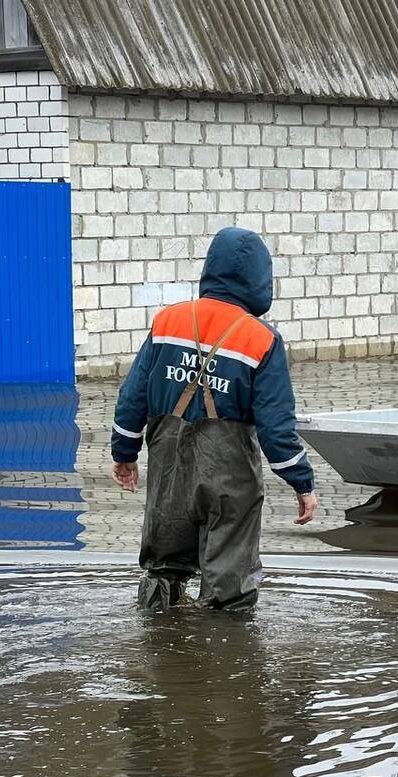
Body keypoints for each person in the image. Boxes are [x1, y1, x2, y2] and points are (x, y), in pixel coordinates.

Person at [110, 227, 317, 613]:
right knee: (228, 587)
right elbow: (276, 428)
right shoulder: (262, 340)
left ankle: (158, 654)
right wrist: (302, 483)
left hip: (168, 478)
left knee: (162, 572)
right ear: (260, 279)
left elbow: (131, 399)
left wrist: (124, 454)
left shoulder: (167, 322)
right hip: (229, 485)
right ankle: (224, 664)